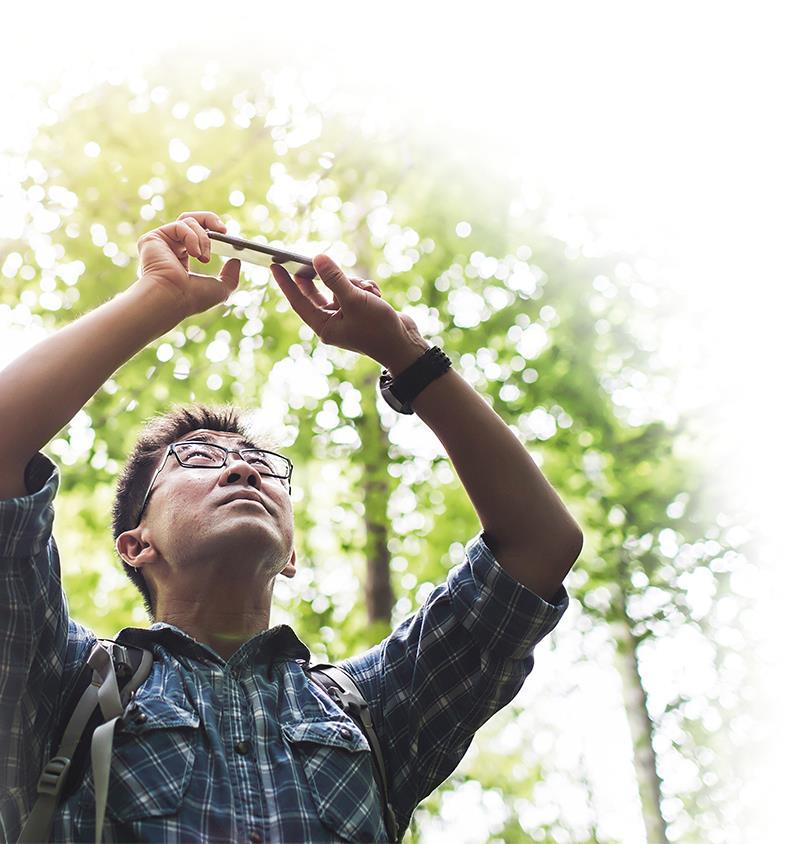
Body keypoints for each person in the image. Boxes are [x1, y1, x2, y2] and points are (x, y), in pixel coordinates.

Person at [0, 210, 583, 842]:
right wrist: (156, 298)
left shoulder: (372, 710)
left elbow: (540, 545)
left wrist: (406, 358)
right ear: (137, 545)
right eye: (199, 458)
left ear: (291, 556)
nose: (242, 472)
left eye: (262, 465)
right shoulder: (62, 683)